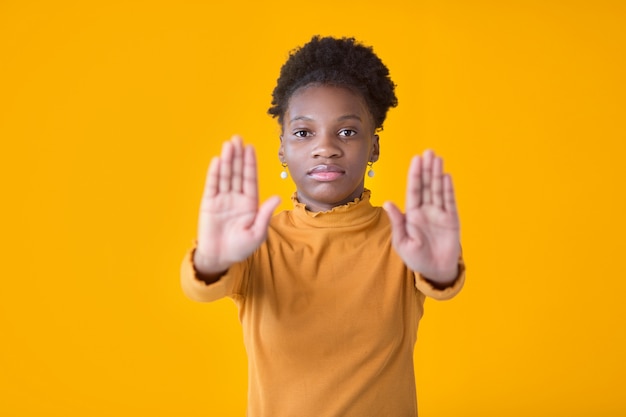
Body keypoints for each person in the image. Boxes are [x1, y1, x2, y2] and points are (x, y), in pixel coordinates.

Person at [181, 35, 465, 417]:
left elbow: (443, 285)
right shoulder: (256, 242)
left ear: (373, 147)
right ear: (282, 148)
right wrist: (211, 259)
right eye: (303, 133)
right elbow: (200, 289)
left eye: (347, 131)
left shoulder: (404, 238)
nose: (326, 147)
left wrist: (442, 270)